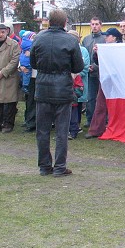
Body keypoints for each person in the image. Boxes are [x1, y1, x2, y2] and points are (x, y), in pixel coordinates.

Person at [30, 9, 84, 176]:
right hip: (63, 88)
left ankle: (44, 166)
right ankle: (60, 167)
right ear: (65, 22)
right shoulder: (70, 40)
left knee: (43, 131)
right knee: (61, 131)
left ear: (48, 21)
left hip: (43, 87)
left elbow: (33, 63)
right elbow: (78, 67)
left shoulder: (38, 39)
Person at [85, 28, 123, 139]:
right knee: (100, 103)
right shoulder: (105, 48)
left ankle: (115, 127)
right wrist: (97, 54)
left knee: (117, 105)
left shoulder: (122, 48)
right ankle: (96, 129)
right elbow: (98, 62)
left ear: (114, 38)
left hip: (118, 80)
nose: (105, 37)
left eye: (108, 35)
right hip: (106, 79)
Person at [82, 16, 106, 127]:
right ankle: (90, 119)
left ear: (101, 25)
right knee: (90, 98)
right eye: (93, 24)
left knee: (101, 97)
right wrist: (86, 66)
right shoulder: (86, 39)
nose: (95, 26)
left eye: (97, 24)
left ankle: (102, 119)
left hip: (102, 73)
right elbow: (83, 55)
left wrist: (96, 66)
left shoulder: (105, 39)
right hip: (89, 73)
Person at [67, 30, 90, 139]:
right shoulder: (65, 49)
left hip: (77, 82)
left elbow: (85, 67)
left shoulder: (83, 50)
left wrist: (75, 74)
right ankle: (67, 129)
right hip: (66, 83)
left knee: (76, 106)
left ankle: (75, 128)